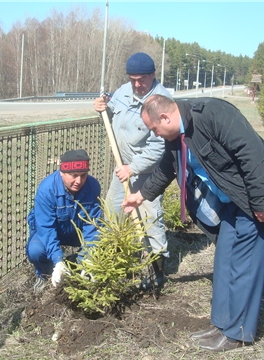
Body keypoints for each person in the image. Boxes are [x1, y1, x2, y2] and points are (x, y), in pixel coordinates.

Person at [121, 95, 264, 351]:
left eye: (155, 129)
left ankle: (238, 333)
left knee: (245, 265)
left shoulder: (213, 114)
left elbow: (252, 153)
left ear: (165, 117)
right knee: (225, 258)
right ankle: (221, 324)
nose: (156, 135)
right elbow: (167, 168)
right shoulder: (176, 136)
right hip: (232, 201)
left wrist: (263, 201)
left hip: (256, 200)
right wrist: (140, 196)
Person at [93, 52, 173, 290]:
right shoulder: (122, 92)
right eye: (133, 79)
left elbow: (159, 146)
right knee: (113, 211)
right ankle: (114, 261)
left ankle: (157, 270)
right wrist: (102, 109)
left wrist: (134, 168)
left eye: (142, 79)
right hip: (123, 169)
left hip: (147, 172)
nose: (137, 85)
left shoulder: (162, 101)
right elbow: (113, 120)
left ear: (153, 75)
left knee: (150, 219)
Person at [26, 149, 102, 293]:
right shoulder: (47, 190)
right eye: (74, 176)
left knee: (104, 242)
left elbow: (92, 225)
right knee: (36, 250)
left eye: (83, 175)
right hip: (51, 232)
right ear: (62, 172)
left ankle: (76, 266)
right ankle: (46, 275)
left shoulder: (93, 187)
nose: (79, 181)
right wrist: (58, 261)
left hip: (76, 232)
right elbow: (46, 229)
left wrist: (89, 257)